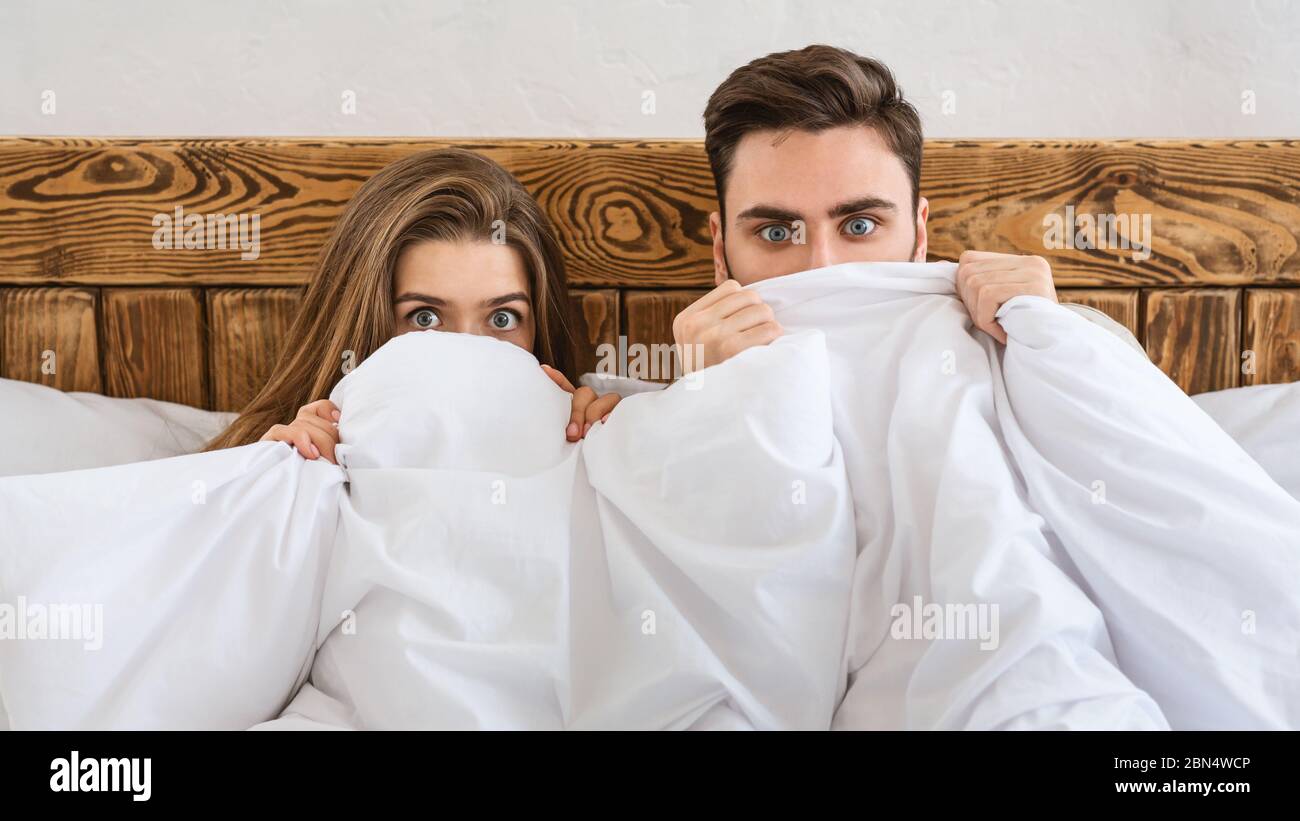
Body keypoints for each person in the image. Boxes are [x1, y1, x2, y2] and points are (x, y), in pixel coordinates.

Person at [204, 148, 620, 461]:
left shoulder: (587, 433)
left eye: (502, 317)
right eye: (425, 317)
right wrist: (271, 476)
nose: (465, 353)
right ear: (360, 327)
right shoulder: (289, 452)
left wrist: (607, 451)